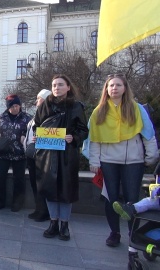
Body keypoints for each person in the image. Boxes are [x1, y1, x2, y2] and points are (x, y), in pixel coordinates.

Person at [88, 74, 158, 247]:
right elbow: (94, 139)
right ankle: (114, 233)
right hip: (108, 161)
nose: (114, 88)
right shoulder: (99, 111)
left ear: (125, 88)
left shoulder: (137, 108)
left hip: (133, 161)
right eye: (111, 85)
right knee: (111, 199)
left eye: (118, 85)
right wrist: (94, 161)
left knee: (131, 199)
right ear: (106, 89)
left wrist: (151, 156)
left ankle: (132, 232)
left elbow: (148, 134)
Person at [33, 74, 88, 241]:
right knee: (50, 190)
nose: (57, 87)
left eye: (60, 84)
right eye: (54, 85)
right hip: (47, 155)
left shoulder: (76, 106)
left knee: (66, 190)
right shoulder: (44, 106)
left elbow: (83, 130)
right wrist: (37, 136)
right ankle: (53, 222)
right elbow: (37, 125)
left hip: (67, 155)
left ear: (68, 87)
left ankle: (64, 225)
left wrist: (74, 138)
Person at [0, 94, 31, 212]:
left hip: (20, 155)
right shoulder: (0, 118)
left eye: (17, 105)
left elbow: (32, 134)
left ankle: (17, 204)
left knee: (19, 180)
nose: (15, 108)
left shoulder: (27, 118)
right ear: (8, 107)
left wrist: (24, 137)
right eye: (12, 106)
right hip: (3, 154)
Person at [23, 89, 51, 222]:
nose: (36, 101)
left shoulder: (48, 114)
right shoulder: (38, 115)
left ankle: (44, 211)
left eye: (38, 99)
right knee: (35, 184)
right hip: (32, 154)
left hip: (41, 155)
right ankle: (38, 208)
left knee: (41, 185)